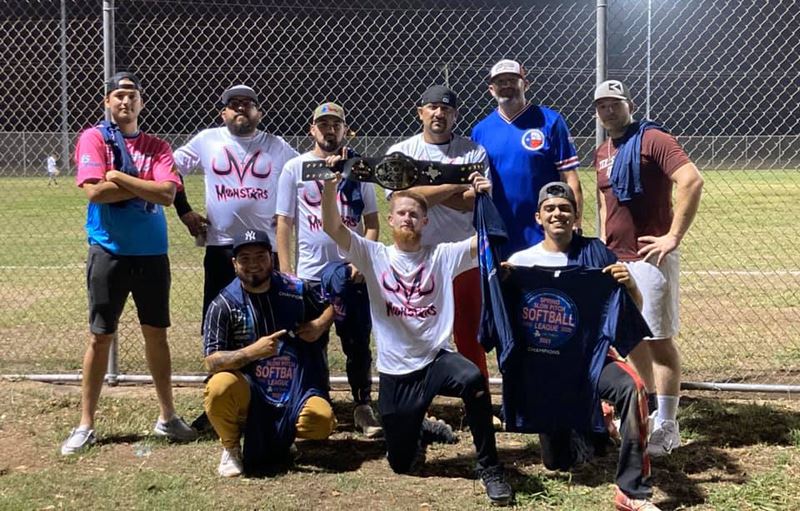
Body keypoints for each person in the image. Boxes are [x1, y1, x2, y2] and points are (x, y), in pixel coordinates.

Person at [321, 170, 514, 506]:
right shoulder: (373, 255)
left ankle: (489, 466)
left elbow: (490, 237)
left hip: (435, 358)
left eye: (415, 213)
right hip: (396, 371)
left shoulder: (442, 256)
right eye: (402, 213)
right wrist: (328, 186)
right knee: (401, 464)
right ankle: (421, 428)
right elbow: (333, 228)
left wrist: (486, 197)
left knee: (472, 378)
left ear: (425, 221)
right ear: (391, 220)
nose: (407, 218)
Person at [62, 71, 196, 455]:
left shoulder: (157, 145)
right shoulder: (94, 138)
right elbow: (94, 192)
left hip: (152, 254)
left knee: (157, 334)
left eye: (132, 96)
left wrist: (119, 174)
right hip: (109, 251)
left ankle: (167, 417)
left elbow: (168, 193)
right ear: (107, 101)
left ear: (141, 102)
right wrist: (144, 184)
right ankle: (86, 423)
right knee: (100, 336)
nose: (125, 102)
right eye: (118, 95)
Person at [505, 182, 660, 511]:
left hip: (593, 359)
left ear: (576, 216)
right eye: (550, 209)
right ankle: (597, 421)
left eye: (565, 208)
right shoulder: (520, 263)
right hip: (547, 367)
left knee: (633, 388)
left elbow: (630, 309)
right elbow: (505, 323)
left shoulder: (597, 254)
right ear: (538, 217)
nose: (557, 213)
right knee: (560, 461)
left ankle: (632, 490)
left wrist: (630, 284)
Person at [593, 80, 704, 457]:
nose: (608, 111)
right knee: (630, 338)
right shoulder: (603, 151)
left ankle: (668, 426)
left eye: (615, 104)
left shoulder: (654, 138)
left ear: (629, 104)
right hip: (617, 258)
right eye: (602, 106)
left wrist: (672, 237)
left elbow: (691, 180)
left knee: (658, 340)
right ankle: (646, 410)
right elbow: (606, 207)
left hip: (650, 258)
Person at [275, 102, 382, 438]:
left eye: (336, 124)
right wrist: (286, 272)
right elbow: (284, 222)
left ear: (345, 129)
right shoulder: (295, 167)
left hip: (349, 273)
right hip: (309, 273)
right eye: (323, 124)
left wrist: (360, 261)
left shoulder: (357, 168)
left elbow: (373, 224)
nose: (329, 130)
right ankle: (316, 401)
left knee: (356, 341)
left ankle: (362, 404)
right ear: (312, 129)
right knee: (310, 340)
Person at [203, 229, 336, 477]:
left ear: (271, 259)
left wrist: (319, 325)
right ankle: (231, 447)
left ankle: (283, 436)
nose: (253, 265)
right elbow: (211, 361)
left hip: (293, 386)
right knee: (219, 387)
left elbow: (332, 305)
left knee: (321, 421)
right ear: (234, 264)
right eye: (245, 259)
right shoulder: (223, 304)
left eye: (260, 257)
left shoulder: (295, 289)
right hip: (248, 389)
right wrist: (251, 352)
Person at [385, 85, 489, 379]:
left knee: (469, 332)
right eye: (432, 107)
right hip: (418, 258)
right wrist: (457, 183)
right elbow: (403, 202)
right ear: (421, 112)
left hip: (465, 254)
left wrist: (422, 193)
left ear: (455, 115)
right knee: (421, 332)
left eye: (446, 109)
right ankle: (421, 399)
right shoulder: (402, 152)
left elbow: (474, 202)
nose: (439, 113)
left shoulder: (472, 150)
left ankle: (477, 401)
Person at [173, 84, 299, 325]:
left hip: (264, 245)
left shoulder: (277, 145)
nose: (241, 107)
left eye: (248, 104)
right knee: (219, 319)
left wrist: (287, 212)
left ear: (259, 113)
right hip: (222, 245)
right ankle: (223, 362)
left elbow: (302, 174)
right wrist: (184, 210)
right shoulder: (207, 139)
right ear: (223, 114)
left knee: (267, 320)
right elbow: (171, 169)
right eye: (233, 104)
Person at [471, 59, 583, 259]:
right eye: (500, 81)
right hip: (499, 233)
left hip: (544, 231)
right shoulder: (480, 131)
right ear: (491, 89)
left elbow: (570, 177)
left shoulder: (550, 121)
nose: (506, 85)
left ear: (526, 84)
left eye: (513, 80)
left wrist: (576, 224)